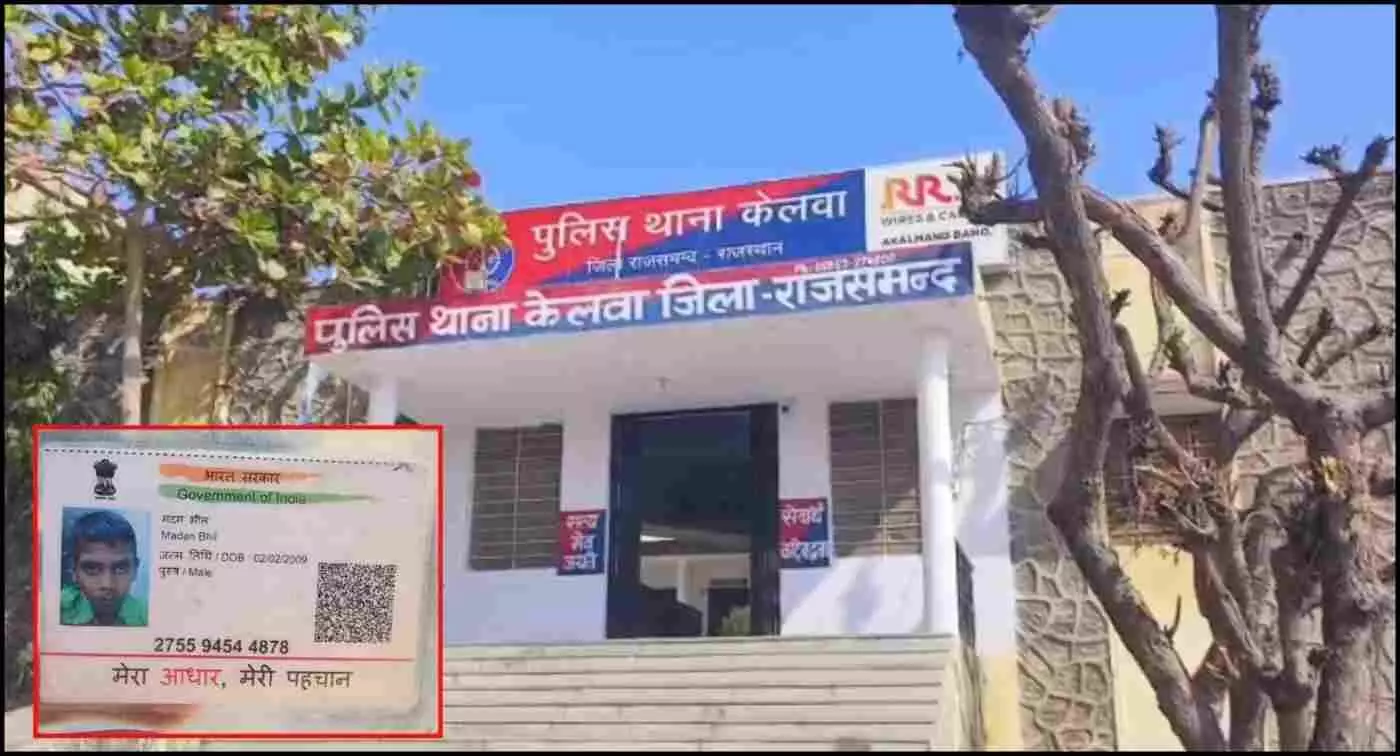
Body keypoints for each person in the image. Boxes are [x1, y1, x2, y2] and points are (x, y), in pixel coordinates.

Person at [60, 510, 148, 627]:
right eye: (92, 569)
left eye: (120, 569)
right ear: (74, 570)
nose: (108, 584)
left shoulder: (150, 615)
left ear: (135, 570)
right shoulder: (56, 607)